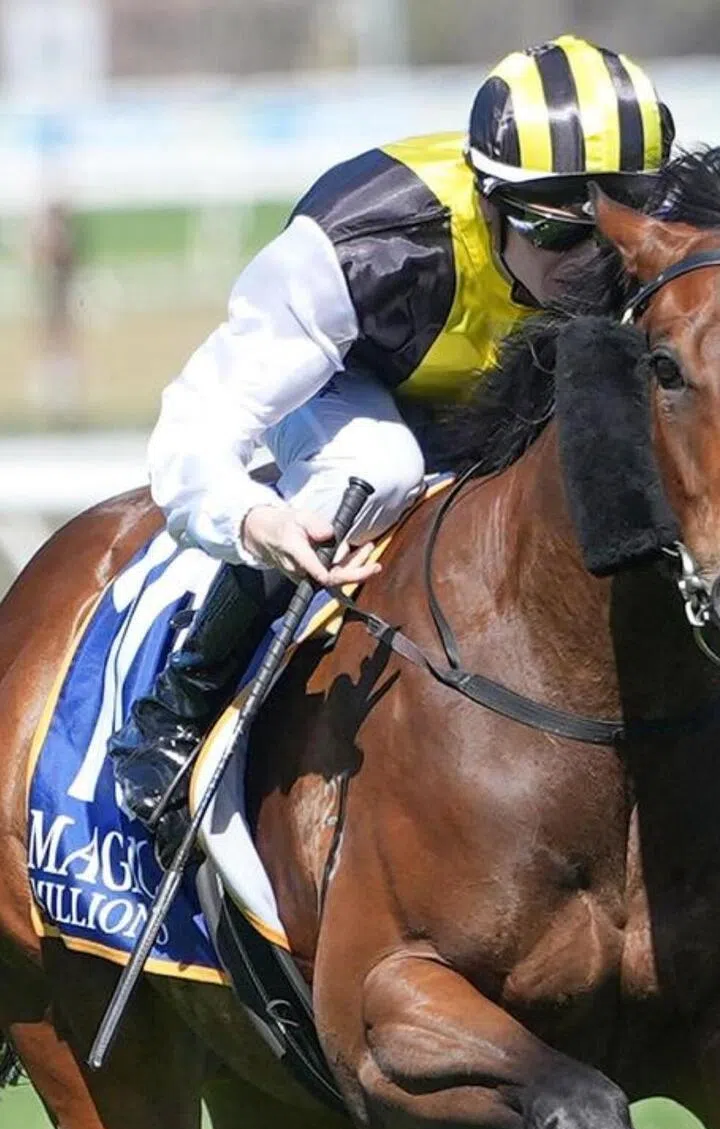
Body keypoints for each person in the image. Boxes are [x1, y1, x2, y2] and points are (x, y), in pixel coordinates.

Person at [108, 35, 675, 858]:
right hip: (362, 390)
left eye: (617, 228)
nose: (595, 262)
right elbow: (198, 422)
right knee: (379, 467)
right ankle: (181, 704)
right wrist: (251, 520)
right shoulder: (365, 243)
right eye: (558, 237)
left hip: (517, 397)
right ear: (488, 204)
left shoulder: (663, 237)